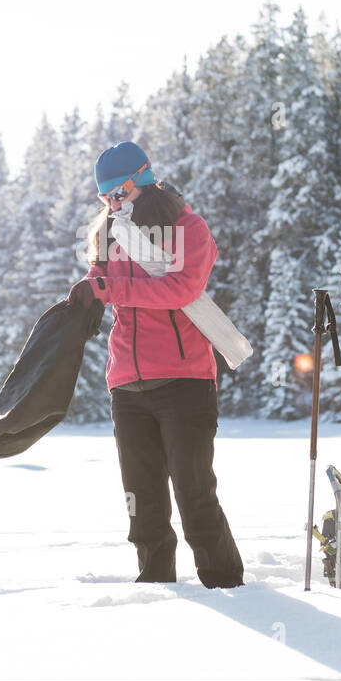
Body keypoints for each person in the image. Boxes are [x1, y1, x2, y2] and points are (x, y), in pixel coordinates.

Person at [69, 141, 244, 588]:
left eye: (119, 192)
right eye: (105, 196)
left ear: (142, 180)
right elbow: (102, 283)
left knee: (194, 492)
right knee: (141, 499)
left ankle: (226, 585)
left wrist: (111, 289)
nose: (113, 203)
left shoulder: (189, 228)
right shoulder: (109, 234)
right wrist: (86, 294)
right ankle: (154, 586)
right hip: (126, 385)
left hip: (185, 381)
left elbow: (181, 290)